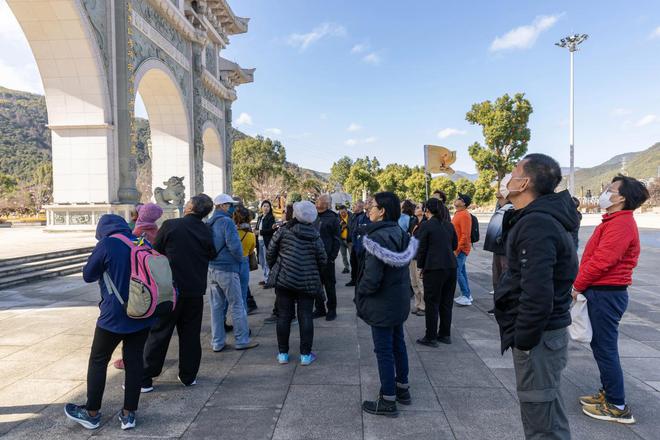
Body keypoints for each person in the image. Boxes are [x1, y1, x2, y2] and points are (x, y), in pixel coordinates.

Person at [495, 153, 579, 440]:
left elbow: (537, 293)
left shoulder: (537, 224)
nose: (509, 177)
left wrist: (525, 340)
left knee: (541, 421)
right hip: (543, 336)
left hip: (539, 338)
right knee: (547, 411)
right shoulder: (536, 218)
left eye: (514, 171)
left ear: (525, 182)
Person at [65, 214, 155, 431]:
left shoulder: (107, 244)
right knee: (134, 362)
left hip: (114, 315)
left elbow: (88, 275)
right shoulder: (141, 241)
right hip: (143, 311)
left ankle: (92, 412)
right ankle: (129, 414)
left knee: (98, 360)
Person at [573, 175, 649, 425]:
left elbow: (602, 261)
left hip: (606, 292)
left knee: (605, 348)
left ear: (621, 198)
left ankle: (617, 405)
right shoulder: (614, 220)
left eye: (610, 189)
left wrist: (577, 285)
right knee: (601, 346)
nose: (605, 192)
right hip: (602, 291)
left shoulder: (622, 223)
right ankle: (609, 394)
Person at [140, 195, 216, 393]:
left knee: (160, 332)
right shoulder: (206, 230)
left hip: (169, 289)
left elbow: (155, 251)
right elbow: (212, 254)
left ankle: (146, 377)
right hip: (195, 289)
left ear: (190, 206)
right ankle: (188, 376)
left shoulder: (171, 225)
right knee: (191, 334)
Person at [356, 192, 418, 417]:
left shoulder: (376, 238)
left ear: (382, 211)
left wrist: (361, 292)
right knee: (398, 344)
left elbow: (372, 278)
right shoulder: (400, 232)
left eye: (371, 206)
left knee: (383, 350)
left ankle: (388, 400)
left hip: (382, 303)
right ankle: (403, 389)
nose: (368, 209)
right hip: (398, 299)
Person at [267, 201, 327, 366]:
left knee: (284, 316)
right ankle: (305, 356)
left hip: (284, 281)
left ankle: (283, 354)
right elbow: (323, 260)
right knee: (306, 316)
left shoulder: (283, 232)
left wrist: (277, 268)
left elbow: (270, 253)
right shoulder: (315, 236)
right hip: (307, 282)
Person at [112, 202, 165, 371]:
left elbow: (137, 250)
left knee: (134, 320)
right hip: (154, 280)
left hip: (138, 280)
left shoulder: (139, 233)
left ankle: (130, 358)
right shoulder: (157, 230)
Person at [207, 194, 259, 352]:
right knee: (237, 305)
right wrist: (238, 260)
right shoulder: (227, 222)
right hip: (228, 268)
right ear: (222, 206)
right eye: (230, 205)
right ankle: (242, 340)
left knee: (216, 307)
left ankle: (217, 342)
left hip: (212, 268)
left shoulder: (209, 222)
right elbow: (235, 247)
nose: (232, 208)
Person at [415, 198, 458, 347]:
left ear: (427, 210)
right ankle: (445, 334)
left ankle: (431, 336)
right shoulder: (448, 225)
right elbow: (454, 245)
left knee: (432, 302)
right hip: (451, 266)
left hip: (434, 268)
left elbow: (421, 249)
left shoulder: (426, 226)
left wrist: (421, 267)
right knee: (446, 302)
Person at [483, 190, 514, 313]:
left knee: (504, 279)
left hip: (504, 250)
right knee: (496, 279)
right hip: (496, 249)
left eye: (502, 190)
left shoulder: (511, 209)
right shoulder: (500, 208)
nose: (498, 192)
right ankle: (498, 305)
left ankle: (506, 306)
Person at [313, 194, 341, 321]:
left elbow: (336, 239)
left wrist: (332, 256)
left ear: (326, 203)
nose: (316, 201)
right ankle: (319, 309)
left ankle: (332, 309)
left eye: (319, 200)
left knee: (329, 285)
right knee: (316, 284)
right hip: (312, 257)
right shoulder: (311, 214)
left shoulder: (333, 218)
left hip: (327, 257)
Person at [452, 193, 473, 306]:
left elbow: (465, 235)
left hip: (461, 249)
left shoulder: (464, 215)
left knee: (457, 272)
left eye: (459, 198)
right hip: (459, 248)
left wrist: (457, 249)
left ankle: (466, 296)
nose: (456, 199)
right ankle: (467, 294)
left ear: (463, 203)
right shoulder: (458, 213)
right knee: (462, 272)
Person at [235, 206, 256, 312]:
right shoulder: (251, 235)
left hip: (231, 263)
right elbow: (252, 250)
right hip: (244, 262)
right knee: (243, 293)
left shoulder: (232, 233)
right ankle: (242, 322)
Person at [409, 202, 426, 316]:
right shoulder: (414, 222)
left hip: (420, 257)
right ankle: (417, 304)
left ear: (424, 211)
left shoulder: (425, 223)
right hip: (412, 256)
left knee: (421, 283)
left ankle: (424, 306)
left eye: (418, 207)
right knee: (414, 281)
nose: (416, 209)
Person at [255, 200, 276, 286]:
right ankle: (265, 277)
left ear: (270, 208)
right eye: (264, 206)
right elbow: (257, 229)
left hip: (266, 241)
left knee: (267, 261)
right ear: (261, 207)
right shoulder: (260, 217)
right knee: (261, 261)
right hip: (259, 241)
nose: (266, 208)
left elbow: (271, 230)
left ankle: (269, 280)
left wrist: (259, 232)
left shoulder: (271, 218)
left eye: (268, 206)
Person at [346, 200, 365, 287]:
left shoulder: (362, 217)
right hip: (351, 242)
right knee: (353, 261)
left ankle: (358, 280)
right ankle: (353, 279)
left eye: (356, 205)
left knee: (357, 263)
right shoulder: (352, 216)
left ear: (360, 207)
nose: (353, 206)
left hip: (357, 243)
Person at [338, 205, 351, 274]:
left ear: (347, 211)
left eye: (344, 212)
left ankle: (355, 268)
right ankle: (346, 267)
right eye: (341, 212)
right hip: (341, 240)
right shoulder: (337, 218)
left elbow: (353, 226)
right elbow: (336, 229)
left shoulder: (351, 216)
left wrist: (347, 225)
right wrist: (340, 226)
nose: (342, 214)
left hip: (349, 240)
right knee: (344, 256)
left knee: (352, 256)